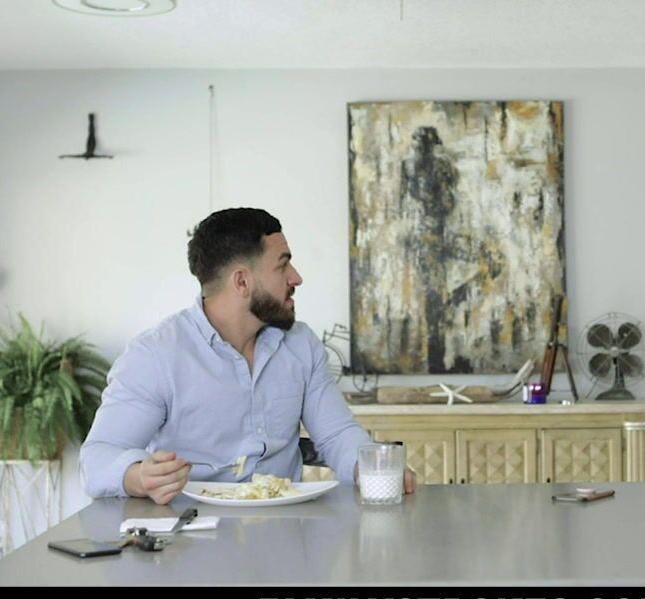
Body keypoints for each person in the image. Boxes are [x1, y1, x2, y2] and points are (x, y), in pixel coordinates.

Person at [80, 207, 416, 504]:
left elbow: (336, 434)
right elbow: (97, 459)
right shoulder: (155, 356)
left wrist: (370, 469)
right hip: (189, 536)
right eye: (283, 265)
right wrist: (138, 476)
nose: (296, 277)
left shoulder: (301, 345)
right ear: (241, 281)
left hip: (286, 534)